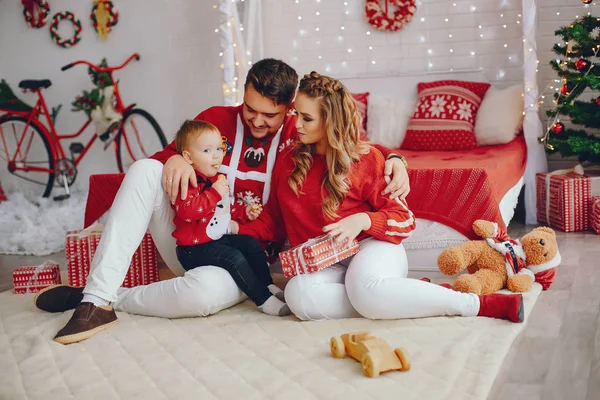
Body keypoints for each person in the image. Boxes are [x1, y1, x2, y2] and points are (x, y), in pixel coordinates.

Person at [35, 58, 410, 345]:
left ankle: (104, 299)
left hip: (243, 259)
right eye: (250, 109)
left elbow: (350, 146)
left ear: (290, 110)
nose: (258, 121)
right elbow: (169, 154)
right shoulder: (215, 121)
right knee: (145, 169)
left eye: (271, 115)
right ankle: (95, 298)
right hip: (191, 239)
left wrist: (395, 157)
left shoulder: (297, 146)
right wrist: (178, 158)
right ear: (242, 95)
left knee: (205, 294)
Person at [234, 72, 525, 323]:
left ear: (330, 122)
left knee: (365, 290)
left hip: (373, 248)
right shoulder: (288, 162)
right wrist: (232, 232)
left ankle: (474, 304)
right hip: (326, 261)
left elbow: (405, 221)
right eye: (296, 113)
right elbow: (272, 219)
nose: (296, 123)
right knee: (299, 296)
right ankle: (402, 295)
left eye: (306, 118)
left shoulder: (366, 160)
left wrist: (362, 220)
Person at [171, 119, 289, 316]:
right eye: (207, 151)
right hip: (193, 249)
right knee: (233, 257)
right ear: (188, 157)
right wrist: (215, 193)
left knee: (250, 243)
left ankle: (267, 285)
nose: (216, 155)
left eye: (219, 148)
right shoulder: (188, 181)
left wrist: (244, 212)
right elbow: (188, 211)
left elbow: (224, 208)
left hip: (215, 239)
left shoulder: (216, 180)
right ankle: (263, 299)